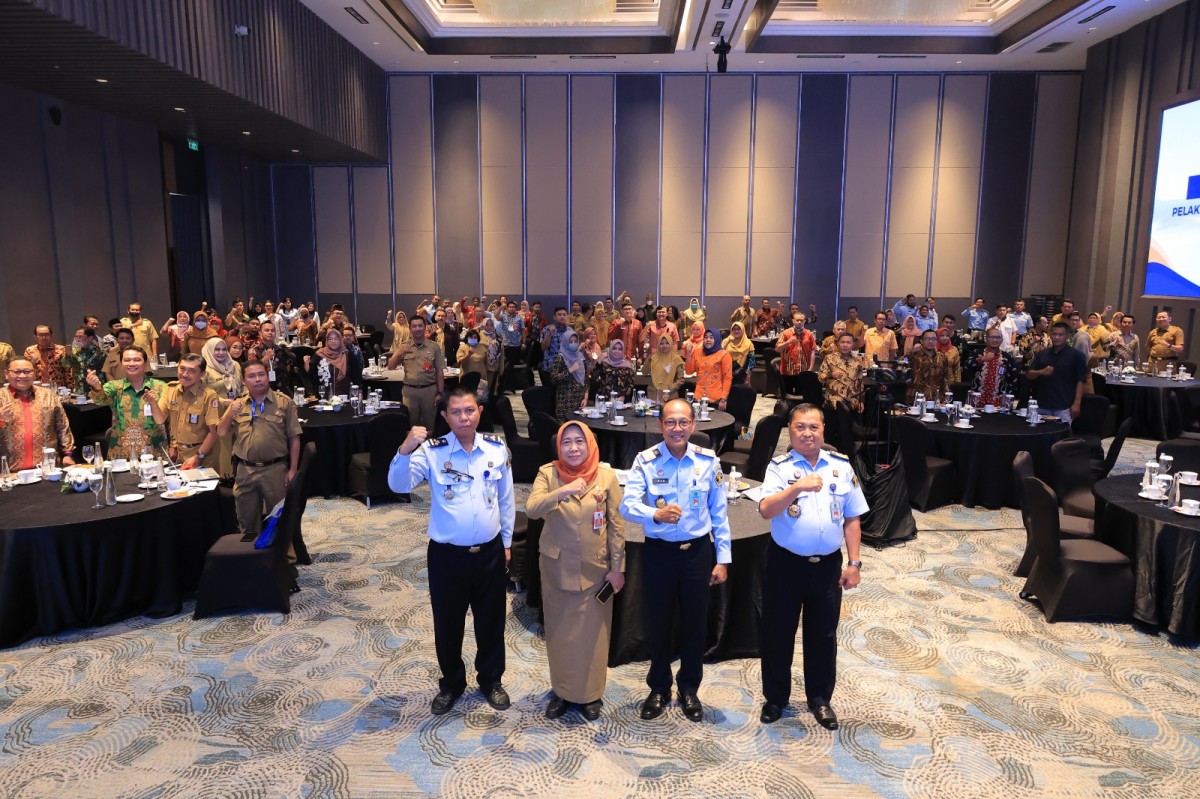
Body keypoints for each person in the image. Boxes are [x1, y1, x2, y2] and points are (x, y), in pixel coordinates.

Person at [388, 387, 515, 715]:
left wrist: (507, 542)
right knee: (448, 624)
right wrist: (404, 448)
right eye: (456, 412)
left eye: (470, 410)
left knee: (491, 622)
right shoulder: (431, 451)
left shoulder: (496, 449)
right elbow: (398, 485)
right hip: (447, 556)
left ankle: (490, 680)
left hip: (488, 552)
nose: (464, 417)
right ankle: (452, 684)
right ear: (445, 416)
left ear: (479, 412)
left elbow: (506, 499)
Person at [756, 403, 866, 728]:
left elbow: (852, 517)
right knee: (778, 633)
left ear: (823, 430)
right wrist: (796, 488)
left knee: (822, 634)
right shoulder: (779, 467)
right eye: (800, 427)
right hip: (785, 564)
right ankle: (775, 699)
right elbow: (765, 510)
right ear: (790, 431)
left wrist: (855, 562)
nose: (807, 433)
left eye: (813, 427)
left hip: (828, 567)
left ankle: (820, 699)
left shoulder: (841, 466)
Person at [620, 399, 730, 722]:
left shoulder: (708, 462)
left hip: (697, 553)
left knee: (696, 622)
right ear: (660, 426)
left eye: (683, 422)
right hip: (659, 553)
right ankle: (658, 687)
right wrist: (655, 513)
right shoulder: (646, 461)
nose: (677, 428)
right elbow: (627, 506)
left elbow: (719, 515)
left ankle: (689, 688)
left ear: (693, 426)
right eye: (670, 422)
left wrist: (722, 559)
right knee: (658, 621)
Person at [525, 422, 625, 721]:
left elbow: (616, 527)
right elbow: (531, 509)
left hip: (596, 571)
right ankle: (562, 691)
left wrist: (618, 568)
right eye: (566, 442)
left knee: (593, 636)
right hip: (557, 569)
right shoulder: (548, 473)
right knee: (559, 635)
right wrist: (563, 491)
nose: (573, 448)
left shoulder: (607, 476)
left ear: (590, 444)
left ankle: (591, 694)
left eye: (579, 441)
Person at [217, 360, 302, 560]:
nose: (257, 379)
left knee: (278, 516)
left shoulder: (284, 402)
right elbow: (221, 431)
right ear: (244, 380)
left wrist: (293, 469)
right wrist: (230, 412)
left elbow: (294, 438)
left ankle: (285, 561)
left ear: (267, 376)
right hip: (245, 470)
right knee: (246, 518)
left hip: (275, 469)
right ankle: (251, 559)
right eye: (252, 376)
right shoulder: (238, 404)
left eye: (261, 374)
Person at [85, 345, 167, 460]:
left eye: (137, 360)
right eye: (127, 360)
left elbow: (170, 419)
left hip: (154, 451)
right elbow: (100, 399)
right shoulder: (115, 386)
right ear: (122, 363)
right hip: (121, 454)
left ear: (145, 363)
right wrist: (97, 386)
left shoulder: (161, 387)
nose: (131, 363)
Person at [0, 359, 76, 469]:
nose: (22, 375)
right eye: (16, 372)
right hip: (9, 470)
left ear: (34, 374)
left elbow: (62, 426)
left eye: (27, 371)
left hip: (48, 467)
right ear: (6, 374)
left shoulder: (48, 395)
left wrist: (68, 455)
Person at [157, 354, 221, 469]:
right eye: (182, 369)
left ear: (202, 374)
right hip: (180, 453)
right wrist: (174, 444)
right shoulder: (170, 389)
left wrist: (198, 456)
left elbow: (213, 432)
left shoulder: (208, 396)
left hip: (203, 454)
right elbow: (162, 419)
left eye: (191, 371)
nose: (185, 374)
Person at [388, 316, 445, 429]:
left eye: (420, 326)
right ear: (410, 328)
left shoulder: (434, 347)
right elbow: (390, 367)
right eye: (414, 326)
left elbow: (439, 371)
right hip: (410, 392)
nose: (417, 328)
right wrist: (400, 354)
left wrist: (440, 393)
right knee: (411, 425)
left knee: (431, 426)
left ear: (425, 327)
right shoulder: (404, 346)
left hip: (429, 391)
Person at [1026, 322, 1088, 423]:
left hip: (1064, 405)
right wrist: (1041, 372)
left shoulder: (1077, 355)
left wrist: (1077, 403)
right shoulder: (1042, 354)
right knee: (1041, 434)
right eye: (1054, 334)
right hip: (1042, 404)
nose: (1057, 337)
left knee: (1062, 436)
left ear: (1067, 336)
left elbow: (1080, 381)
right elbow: (1029, 375)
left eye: (1060, 334)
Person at [817, 333, 867, 412]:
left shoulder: (858, 360)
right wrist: (831, 375)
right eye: (842, 342)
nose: (845, 345)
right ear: (838, 344)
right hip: (833, 400)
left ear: (853, 344)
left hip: (851, 402)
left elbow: (860, 383)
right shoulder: (829, 358)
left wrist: (861, 401)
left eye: (848, 342)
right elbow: (820, 378)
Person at [548, 330, 590, 421]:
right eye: (570, 342)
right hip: (565, 403)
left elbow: (586, 379)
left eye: (575, 341)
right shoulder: (560, 358)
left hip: (580, 402)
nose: (574, 344)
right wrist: (570, 370)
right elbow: (554, 379)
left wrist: (585, 398)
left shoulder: (581, 356)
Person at [306, 328, 361, 397]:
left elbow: (357, 376)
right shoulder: (319, 354)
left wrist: (358, 391)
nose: (333, 341)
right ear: (326, 341)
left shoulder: (347, 355)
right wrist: (306, 364)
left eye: (336, 339)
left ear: (341, 340)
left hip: (344, 396)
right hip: (323, 397)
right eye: (330, 339)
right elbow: (312, 375)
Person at [687, 329, 732, 411]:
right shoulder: (697, 351)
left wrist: (723, 399)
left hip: (715, 399)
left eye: (711, 337)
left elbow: (727, 378)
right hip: (698, 397)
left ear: (717, 339)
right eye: (706, 337)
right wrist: (688, 354)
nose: (708, 340)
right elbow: (689, 371)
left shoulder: (724, 354)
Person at [972, 328, 1016, 406]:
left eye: (998, 337)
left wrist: (1007, 399)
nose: (995, 340)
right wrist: (983, 359)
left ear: (1002, 340)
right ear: (986, 339)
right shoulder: (977, 353)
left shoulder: (1007, 357)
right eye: (992, 337)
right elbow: (966, 368)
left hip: (999, 401)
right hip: (976, 400)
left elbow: (1013, 380)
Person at [775, 313, 817, 393]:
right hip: (787, 371)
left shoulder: (809, 334)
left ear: (804, 321)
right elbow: (777, 349)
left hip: (804, 371)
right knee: (787, 397)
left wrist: (811, 368)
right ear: (793, 321)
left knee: (801, 397)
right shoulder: (786, 333)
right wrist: (788, 342)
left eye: (801, 320)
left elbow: (812, 351)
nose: (799, 322)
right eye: (797, 320)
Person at [907, 330, 952, 403]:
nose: (930, 341)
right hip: (917, 398)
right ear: (921, 341)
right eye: (927, 339)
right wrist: (911, 351)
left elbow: (945, 378)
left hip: (937, 398)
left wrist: (946, 396)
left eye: (934, 339)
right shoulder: (914, 356)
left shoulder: (942, 357)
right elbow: (901, 364)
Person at [590, 339, 636, 403]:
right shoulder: (604, 363)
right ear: (610, 349)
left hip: (620, 402)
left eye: (620, 349)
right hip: (604, 401)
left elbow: (630, 385)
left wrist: (623, 396)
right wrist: (599, 361)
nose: (617, 351)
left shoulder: (627, 365)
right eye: (614, 348)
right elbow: (593, 377)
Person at [647, 332, 685, 397]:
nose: (664, 346)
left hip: (670, 395)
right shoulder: (653, 357)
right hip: (654, 395)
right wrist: (649, 357)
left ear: (671, 344)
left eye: (667, 343)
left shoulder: (677, 359)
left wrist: (669, 390)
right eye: (661, 343)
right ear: (658, 345)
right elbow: (644, 371)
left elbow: (681, 379)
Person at [540, 306, 572, 384]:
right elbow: (543, 347)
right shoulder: (547, 329)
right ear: (554, 317)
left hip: (565, 368)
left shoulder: (570, 330)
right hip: (550, 366)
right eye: (559, 315)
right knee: (551, 393)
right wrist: (550, 334)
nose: (562, 317)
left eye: (564, 315)